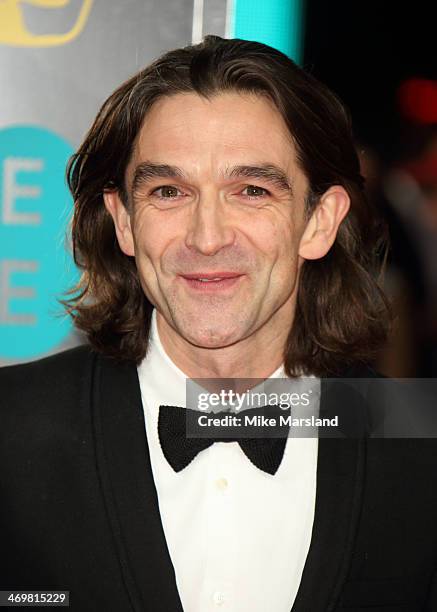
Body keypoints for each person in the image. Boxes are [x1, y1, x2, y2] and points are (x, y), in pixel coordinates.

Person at [1, 35, 436, 612]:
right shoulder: (11, 429)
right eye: (168, 191)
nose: (207, 237)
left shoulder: (419, 445)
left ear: (319, 222)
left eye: (251, 190)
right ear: (124, 223)